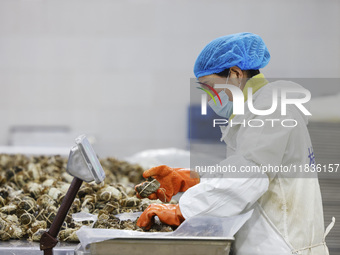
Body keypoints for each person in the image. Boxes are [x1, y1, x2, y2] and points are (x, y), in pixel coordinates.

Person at [135, 33, 333, 254]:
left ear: (236, 74)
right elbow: (245, 167)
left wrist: (183, 210)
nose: (210, 98)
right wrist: (190, 180)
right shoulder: (256, 109)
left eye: (210, 86)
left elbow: (248, 178)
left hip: (283, 245)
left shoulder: (272, 109)